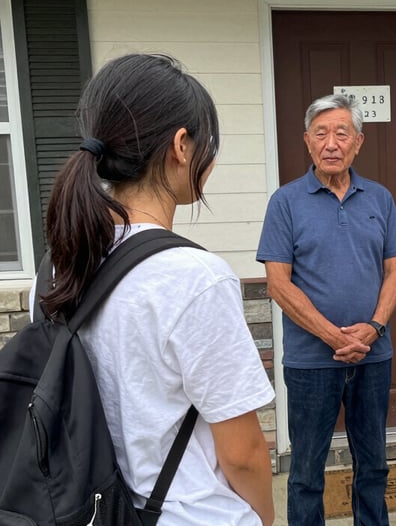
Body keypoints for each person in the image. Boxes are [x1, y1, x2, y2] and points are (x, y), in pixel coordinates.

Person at [40, 53, 276, 526]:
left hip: (89, 510)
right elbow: (244, 453)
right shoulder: (193, 277)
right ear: (182, 146)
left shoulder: (57, 264)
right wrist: (267, 518)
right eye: (208, 142)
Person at [256, 94, 396, 525]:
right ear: (306, 141)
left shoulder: (380, 199)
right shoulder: (285, 203)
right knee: (306, 471)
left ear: (358, 142)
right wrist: (335, 337)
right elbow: (278, 284)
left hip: (373, 357)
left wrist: (373, 329)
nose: (331, 143)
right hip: (310, 363)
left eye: (341, 133)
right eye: (321, 133)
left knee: (374, 463)